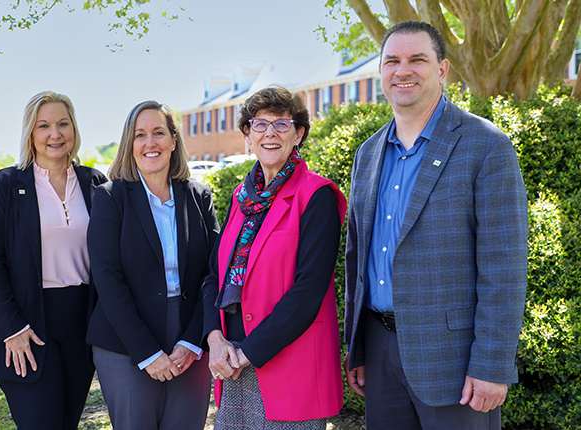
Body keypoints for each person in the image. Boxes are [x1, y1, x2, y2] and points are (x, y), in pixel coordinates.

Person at [343, 21, 528, 430]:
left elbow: (505, 268)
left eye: (417, 60)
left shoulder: (486, 146)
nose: (402, 70)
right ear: (380, 72)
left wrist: (493, 365)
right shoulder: (368, 153)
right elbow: (357, 258)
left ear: (442, 70)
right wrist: (358, 349)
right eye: (392, 61)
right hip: (379, 350)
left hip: (455, 361)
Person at [203, 86, 347, 429]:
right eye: (260, 124)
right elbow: (215, 276)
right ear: (247, 135)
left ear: (298, 134)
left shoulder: (316, 196)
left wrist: (247, 353)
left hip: (286, 364)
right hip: (232, 359)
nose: (270, 133)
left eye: (282, 124)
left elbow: (308, 292)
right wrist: (214, 338)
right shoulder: (243, 197)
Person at [86, 100, 219, 430]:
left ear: (174, 140)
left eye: (159, 133)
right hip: (126, 341)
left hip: (189, 338)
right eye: (140, 135)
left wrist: (192, 341)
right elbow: (107, 278)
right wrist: (146, 351)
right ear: (129, 144)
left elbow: (214, 274)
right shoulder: (110, 197)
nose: (150, 143)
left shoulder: (199, 196)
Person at [0, 91, 106, 429]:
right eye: (44, 125)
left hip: (82, 324)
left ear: (74, 129)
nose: (55, 134)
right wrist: (11, 328)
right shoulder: (4, 185)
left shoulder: (96, 184)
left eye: (63, 124)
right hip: (27, 325)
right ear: (30, 134)